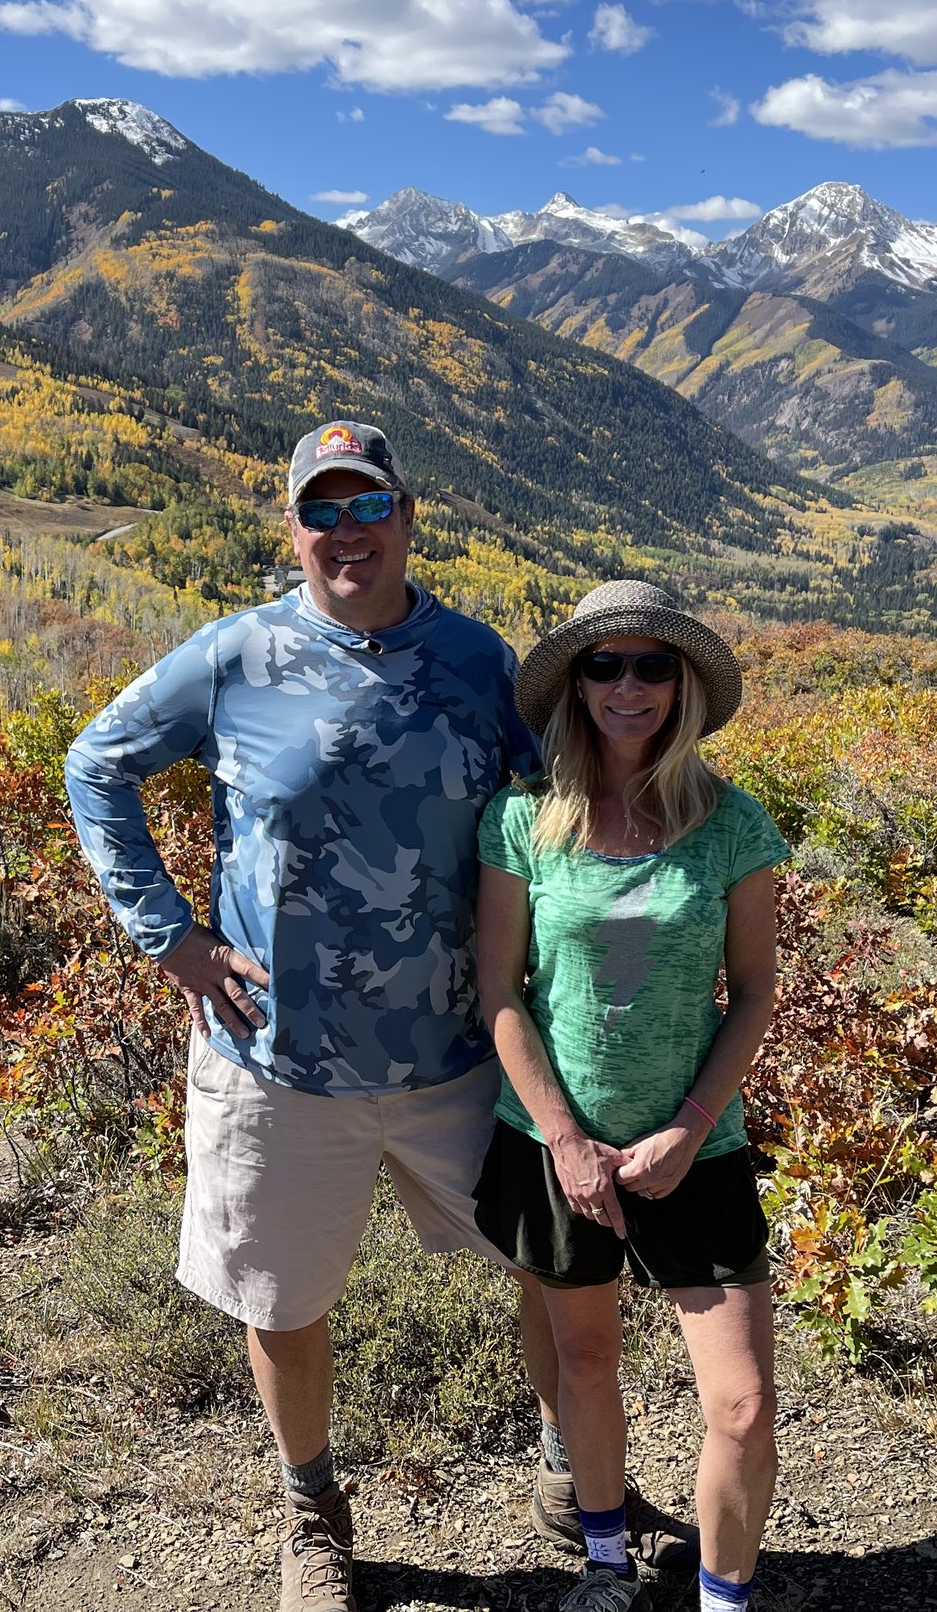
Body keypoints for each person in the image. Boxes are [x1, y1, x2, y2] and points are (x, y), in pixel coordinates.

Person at [65, 424, 688, 1612]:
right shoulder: (231, 658)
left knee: (549, 1263)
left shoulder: (472, 657)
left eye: (369, 506)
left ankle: (574, 1480)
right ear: (294, 530)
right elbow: (95, 763)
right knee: (284, 1301)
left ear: (409, 516)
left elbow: (552, 805)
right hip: (276, 1061)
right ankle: (313, 1516)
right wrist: (171, 937)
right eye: (321, 510)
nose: (346, 531)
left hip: (462, 1054)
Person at [472, 580, 787, 1612]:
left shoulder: (733, 826)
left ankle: (721, 1599)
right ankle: (605, 1565)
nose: (629, 685)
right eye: (605, 664)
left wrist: (690, 1128)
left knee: (739, 1407)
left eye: (655, 665)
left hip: (696, 1147)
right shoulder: (521, 822)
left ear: (684, 685)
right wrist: (563, 1139)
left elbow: (753, 993)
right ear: (574, 685)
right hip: (554, 1144)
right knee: (585, 1361)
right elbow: (501, 994)